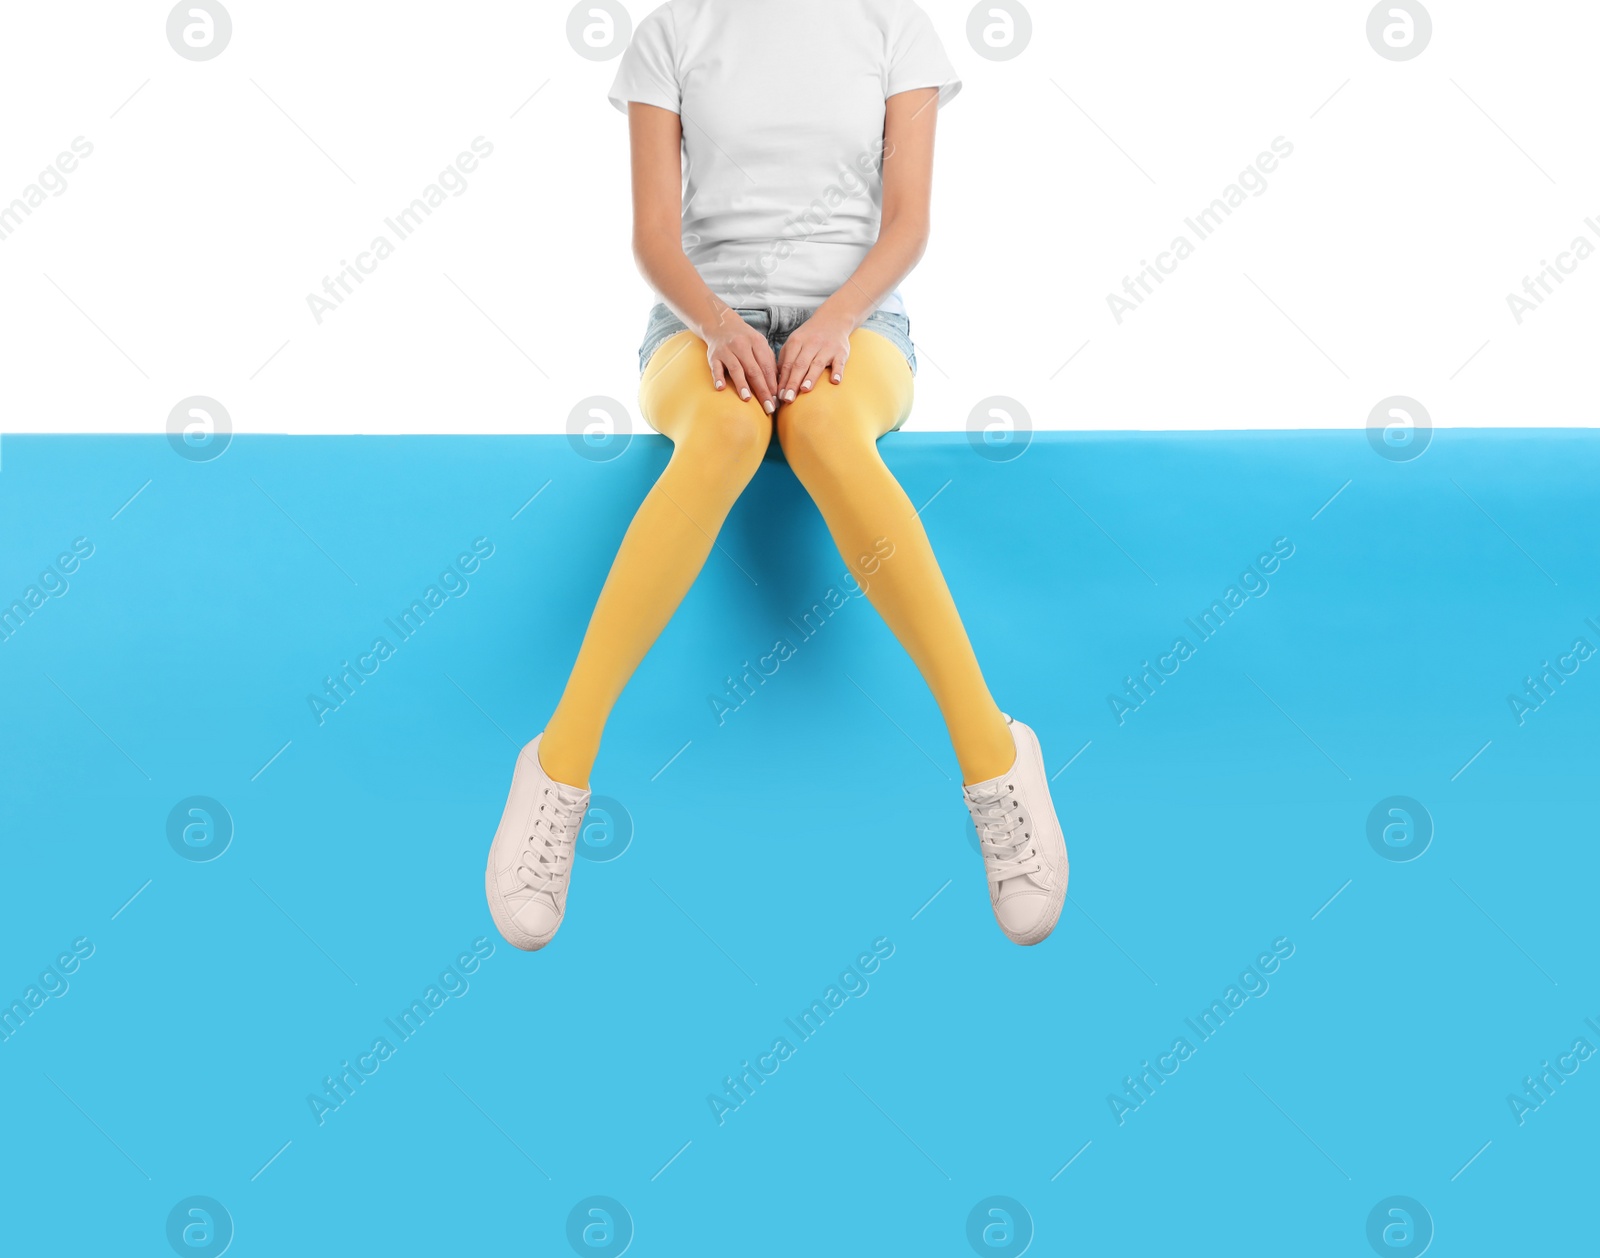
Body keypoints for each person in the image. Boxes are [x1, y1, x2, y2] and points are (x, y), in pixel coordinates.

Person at [485, 0, 1068, 950]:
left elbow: (909, 222)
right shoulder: (670, 34)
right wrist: (721, 326)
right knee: (722, 439)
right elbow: (654, 240)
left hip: (860, 324)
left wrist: (835, 318)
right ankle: (556, 769)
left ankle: (996, 760)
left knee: (826, 432)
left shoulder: (895, 28)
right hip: (696, 329)